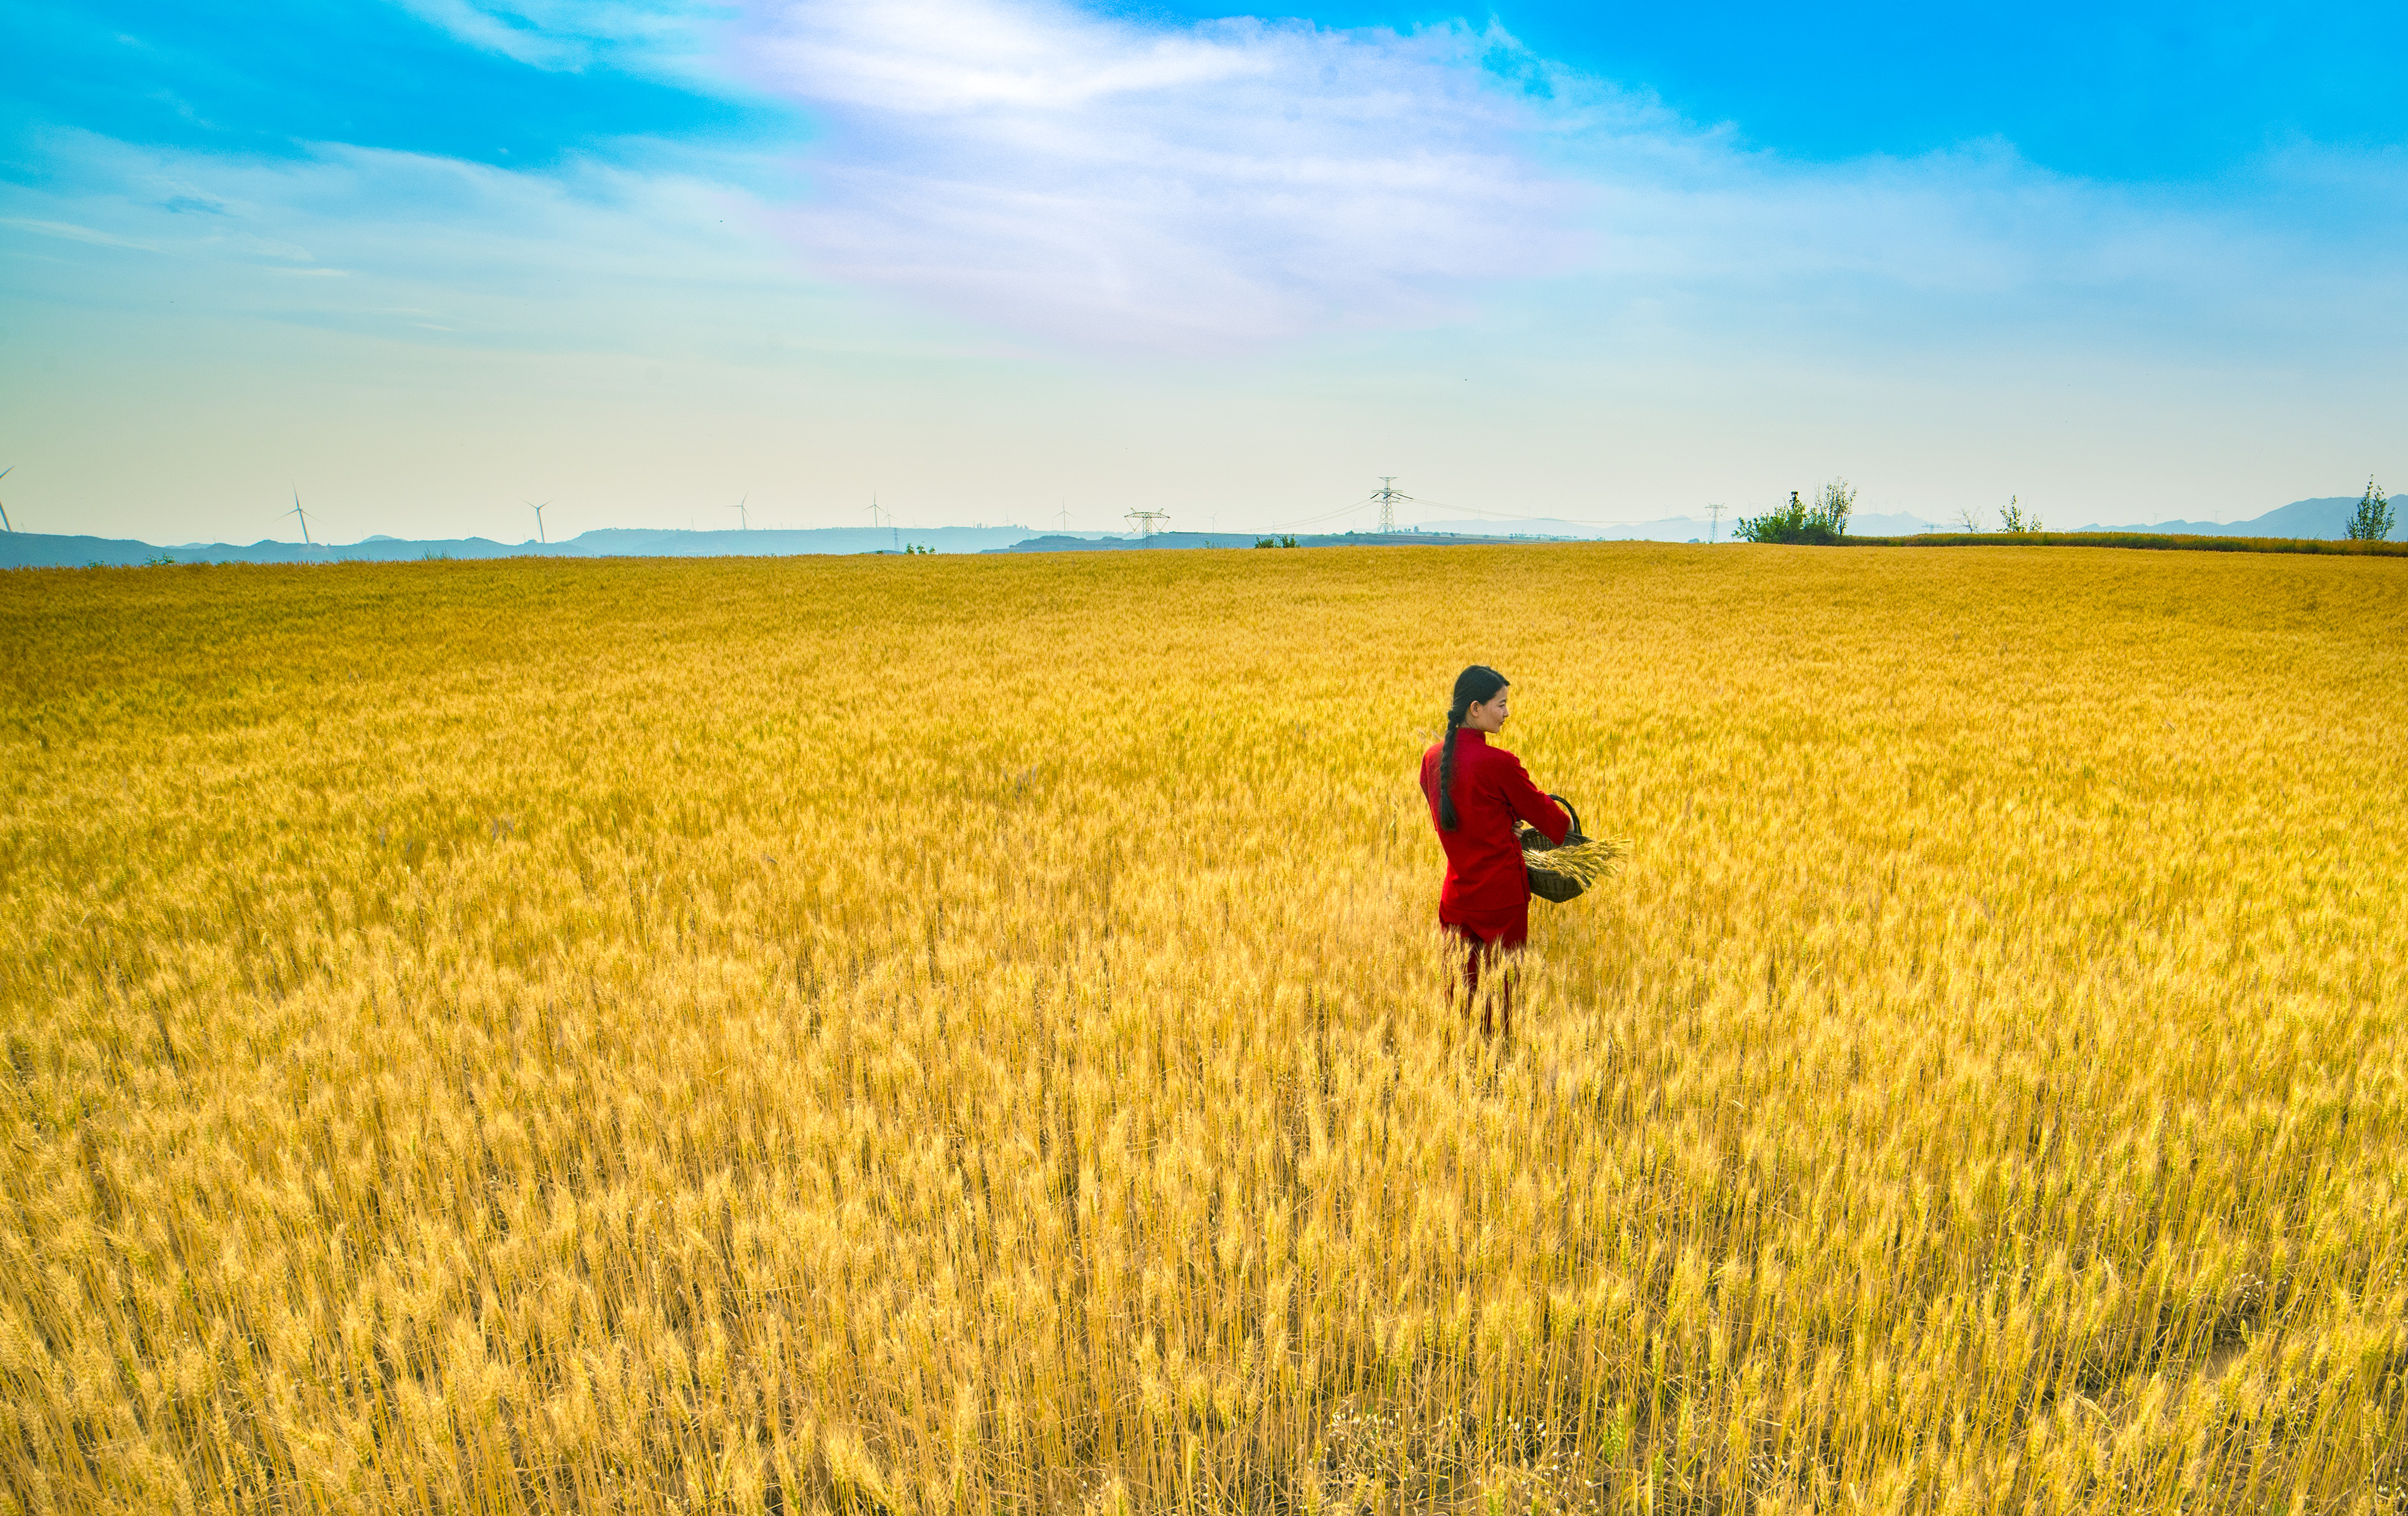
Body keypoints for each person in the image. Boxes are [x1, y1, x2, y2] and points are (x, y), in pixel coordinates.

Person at [1419, 665, 1571, 1035]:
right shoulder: (1500, 764)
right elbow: (1557, 825)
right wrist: (1517, 822)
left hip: (1457, 896)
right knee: (1502, 1000)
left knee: (1459, 997)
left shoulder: (1432, 759)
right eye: (1501, 704)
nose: (1507, 713)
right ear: (1475, 708)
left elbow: (1455, 818)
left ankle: (1461, 1059)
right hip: (1502, 900)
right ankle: (1499, 1059)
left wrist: (1502, 820)